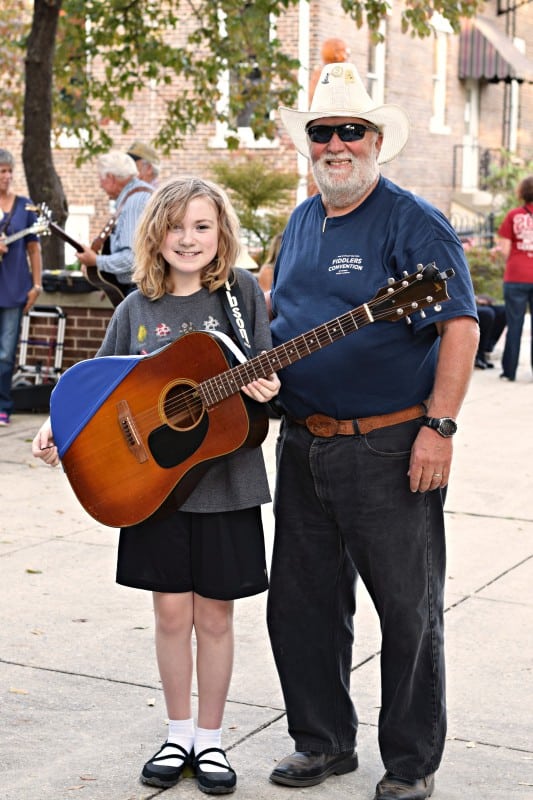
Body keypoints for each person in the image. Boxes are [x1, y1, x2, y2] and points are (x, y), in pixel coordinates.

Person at [266, 62, 479, 800]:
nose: (334, 144)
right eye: (322, 132)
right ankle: (323, 742)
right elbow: (279, 316)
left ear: (376, 139)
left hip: (389, 446)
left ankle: (410, 763)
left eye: (349, 131)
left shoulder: (411, 221)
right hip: (302, 443)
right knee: (302, 606)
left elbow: (459, 326)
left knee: (406, 611)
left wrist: (439, 428)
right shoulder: (299, 220)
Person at [32, 176, 280, 794]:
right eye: (176, 227)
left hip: (226, 482)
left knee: (215, 618)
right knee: (171, 615)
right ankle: (178, 733)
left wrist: (268, 390)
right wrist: (57, 428)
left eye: (202, 226)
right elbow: (97, 390)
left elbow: (266, 380)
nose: (189, 239)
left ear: (221, 232)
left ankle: (214, 742)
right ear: (155, 234)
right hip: (152, 487)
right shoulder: (136, 308)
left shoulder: (241, 294)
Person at [0, 148, 43, 427]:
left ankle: (3, 405)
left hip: (14, 288)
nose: (6, 176)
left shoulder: (26, 206)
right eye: (1, 171)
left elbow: (34, 249)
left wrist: (37, 284)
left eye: (9, 171)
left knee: (6, 350)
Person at [76, 151, 152, 292]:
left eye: (101, 179)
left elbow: (132, 260)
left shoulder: (134, 204)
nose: (100, 185)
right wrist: (111, 283)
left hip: (142, 289)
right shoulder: (141, 195)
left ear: (111, 178)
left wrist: (96, 261)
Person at [497, 175, 533, 381]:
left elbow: (505, 249)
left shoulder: (513, 215)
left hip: (517, 276)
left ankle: (509, 371)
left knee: (515, 325)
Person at [474, 294, 506, 369]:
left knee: (504, 311)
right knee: (488, 313)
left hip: (470, 301)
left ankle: (486, 349)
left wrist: (477, 297)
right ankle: (479, 354)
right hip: (455, 305)